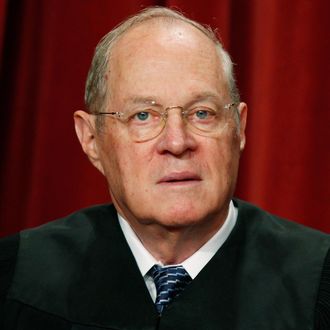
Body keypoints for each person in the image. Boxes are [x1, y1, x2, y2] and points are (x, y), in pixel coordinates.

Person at [0, 6, 329, 330]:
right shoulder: (16, 277)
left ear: (239, 128)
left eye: (202, 113)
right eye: (142, 116)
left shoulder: (317, 281)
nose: (176, 142)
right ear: (91, 140)